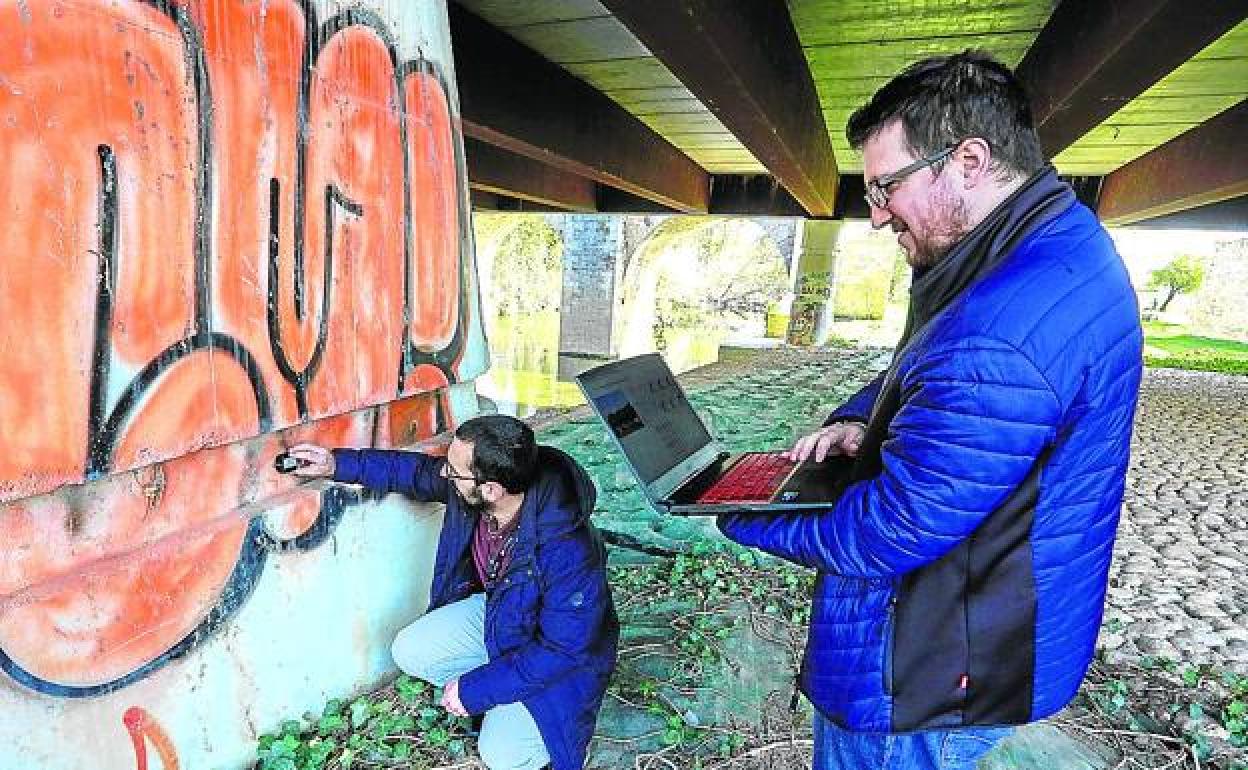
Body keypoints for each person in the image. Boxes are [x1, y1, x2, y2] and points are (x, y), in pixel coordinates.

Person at [719, 51, 1143, 770]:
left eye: (886, 186)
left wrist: (744, 513)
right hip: (986, 627)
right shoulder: (1036, 250)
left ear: (969, 160)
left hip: (929, 671)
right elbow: (929, 372)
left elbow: (892, 530)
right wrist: (863, 419)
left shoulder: (1001, 329)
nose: (877, 213)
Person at [286, 415, 618, 770]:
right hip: (503, 617)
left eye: (453, 470)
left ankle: (520, 706)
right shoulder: (477, 490)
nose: (443, 474)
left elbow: (563, 649)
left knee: (505, 757)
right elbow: (413, 472)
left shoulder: (568, 550)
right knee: (410, 650)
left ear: (491, 489)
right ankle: (504, 689)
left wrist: (477, 689)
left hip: (560, 662)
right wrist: (336, 463)